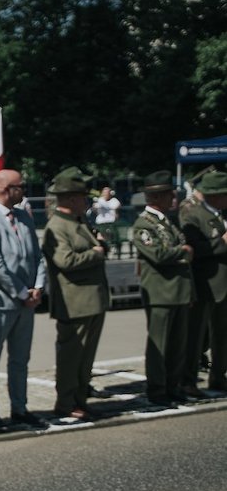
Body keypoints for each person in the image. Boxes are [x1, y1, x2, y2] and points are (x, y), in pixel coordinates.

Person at [0, 170, 48, 430]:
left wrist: (38, 286)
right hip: (0, 302)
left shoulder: (24, 216)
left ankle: (20, 408)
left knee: (20, 358)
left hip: (27, 301)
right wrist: (21, 292)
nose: (24, 189)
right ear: (6, 189)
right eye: (20, 186)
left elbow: (38, 255)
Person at [41, 167, 110, 420]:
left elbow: (94, 246)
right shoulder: (57, 226)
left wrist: (101, 245)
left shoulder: (80, 221)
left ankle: (80, 398)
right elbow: (65, 260)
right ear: (70, 198)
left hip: (92, 300)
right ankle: (66, 402)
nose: (87, 201)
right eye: (83, 196)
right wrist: (96, 253)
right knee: (71, 357)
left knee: (86, 358)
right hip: (74, 302)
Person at [131, 170, 194, 408]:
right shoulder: (143, 224)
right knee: (160, 344)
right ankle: (157, 389)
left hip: (179, 290)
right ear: (156, 197)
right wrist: (183, 253)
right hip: (160, 292)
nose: (174, 199)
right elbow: (157, 254)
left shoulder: (169, 221)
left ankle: (172, 385)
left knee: (178, 344)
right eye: (170, 194)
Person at [179, 171, 227, 395]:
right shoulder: (193, 215)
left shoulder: (222, 214)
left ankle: (219, 377)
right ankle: (188, 380)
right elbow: (194, 249)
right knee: (196, 336)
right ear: (215, 195)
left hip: (224, 285)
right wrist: (222, 242)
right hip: (205, 284)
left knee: (222, 336)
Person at [91, 186, 122, 255]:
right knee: (101, 237)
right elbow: (94, 209)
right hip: (101, 223)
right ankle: (104, 250)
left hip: (111, 222)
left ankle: (116, 250)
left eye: (107, 192)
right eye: (104, 193)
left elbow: (117, 207)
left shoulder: (114, 200)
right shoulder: (99, 200)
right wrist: (95, 207)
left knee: (115, 237)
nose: (106, 194)